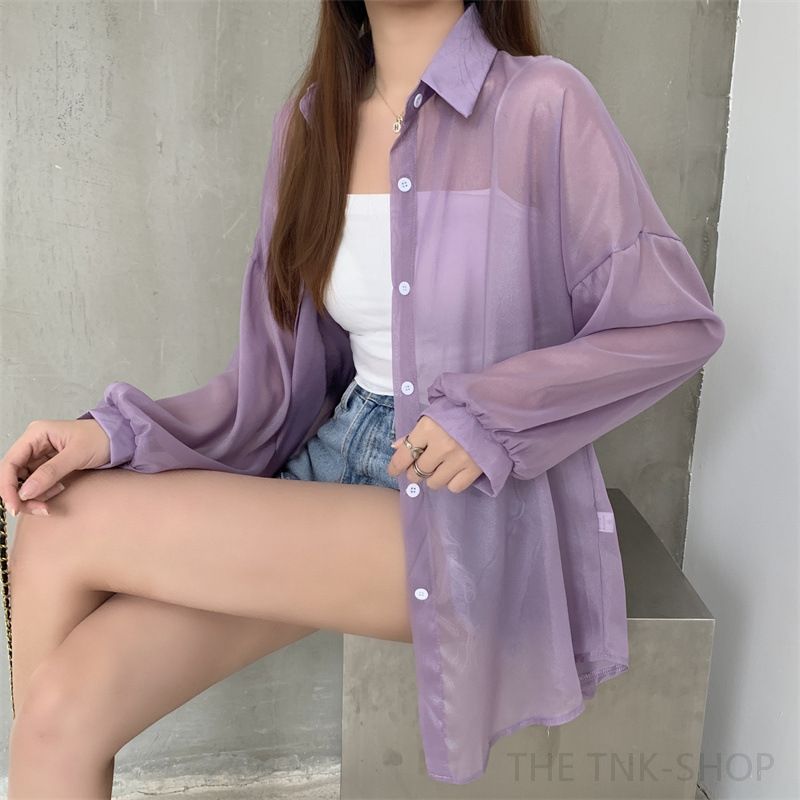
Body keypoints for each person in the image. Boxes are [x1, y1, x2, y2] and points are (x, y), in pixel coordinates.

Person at [0, 0, 726, 793]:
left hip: (467, 506)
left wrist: (489, 416)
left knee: (63, 530)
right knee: (59, 707)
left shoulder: (542, 104)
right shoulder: (311, 125)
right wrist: (114, 435)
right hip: (337, 461)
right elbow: (274, 386)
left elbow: (671, 326)